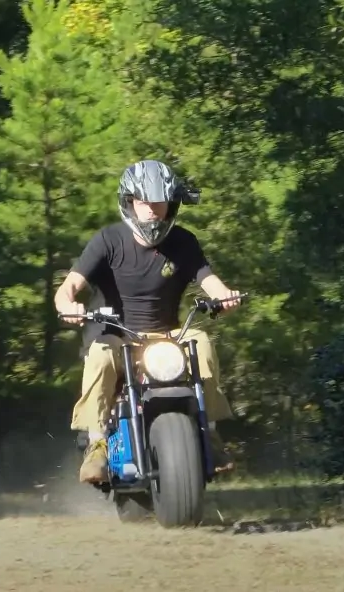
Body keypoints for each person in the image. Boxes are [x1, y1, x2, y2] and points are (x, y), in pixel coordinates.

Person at [54, 159, 242, 484]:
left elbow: (209, 280)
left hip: (167, 335)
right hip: (118, 334)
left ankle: (209, 432)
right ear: (129, 202)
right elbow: (68, 287)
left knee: (202, 341)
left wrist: (225, 296)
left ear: (171, 204)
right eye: (144, 202)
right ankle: (97, 443)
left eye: (159, 202)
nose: (152, 210)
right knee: (99, 354)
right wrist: (67, 304)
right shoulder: (108, 240)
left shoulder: (183, 242)